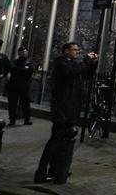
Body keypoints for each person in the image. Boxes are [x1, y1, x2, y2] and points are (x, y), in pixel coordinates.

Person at [34, 41, 97, 183]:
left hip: (71, 109)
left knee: (63, 143)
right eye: (74, 50)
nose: (77, 52)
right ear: (66, 51)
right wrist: (86, 61)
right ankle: (42, 172)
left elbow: (85, 74)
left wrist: (92, 64)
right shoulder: (61, 63)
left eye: (77, 50)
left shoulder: (73, 64)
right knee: (55, 142)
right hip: (62, 109)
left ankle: (55, 170)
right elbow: (71, 72)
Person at [7, 46, 34, 126]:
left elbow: (30, 71)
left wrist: (20, 70)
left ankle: (27, 119)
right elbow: (13, 69)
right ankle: (12, 120)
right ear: (19, 53)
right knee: (13, 104)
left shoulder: (30, 62)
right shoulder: (15, 62)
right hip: (15, 86)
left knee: (25, 104)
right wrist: (23, 69)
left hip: (24, 86)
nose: (24, 53)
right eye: (22, 51)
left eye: (25, 51)